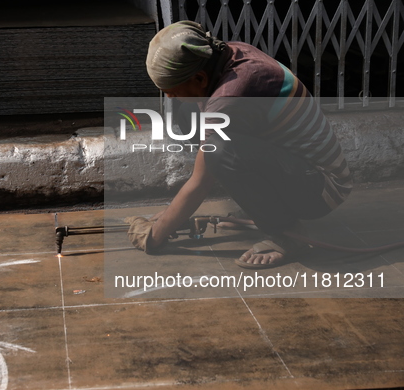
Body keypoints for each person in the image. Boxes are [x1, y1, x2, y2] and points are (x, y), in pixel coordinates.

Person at [126, 21, 352, 269]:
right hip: (295, 167)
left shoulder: (231, 96)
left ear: (200, 77)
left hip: (319, 190)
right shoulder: (226, 53)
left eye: (170, 91)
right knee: (189, 113)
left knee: (222, 153)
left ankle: (287, 234)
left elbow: (202, 180)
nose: (169, 97)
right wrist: (174, 215)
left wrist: (156, 233)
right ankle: (263, 209)